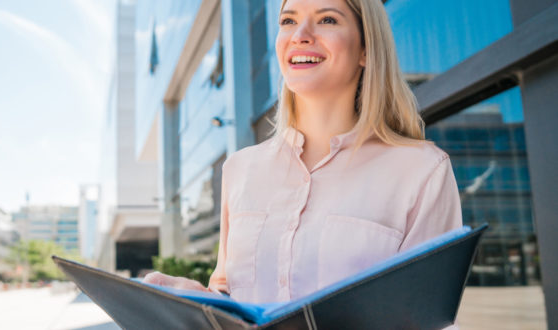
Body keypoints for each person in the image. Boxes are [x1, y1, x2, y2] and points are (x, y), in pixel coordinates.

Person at [144, 0, 462, 327]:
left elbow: (425, 320)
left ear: (366, 49)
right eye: (288, 21)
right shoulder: (240, 170)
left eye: (326, 19)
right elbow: (230, 294)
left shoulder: (422, 171)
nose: (300, 35)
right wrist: (193, 298)